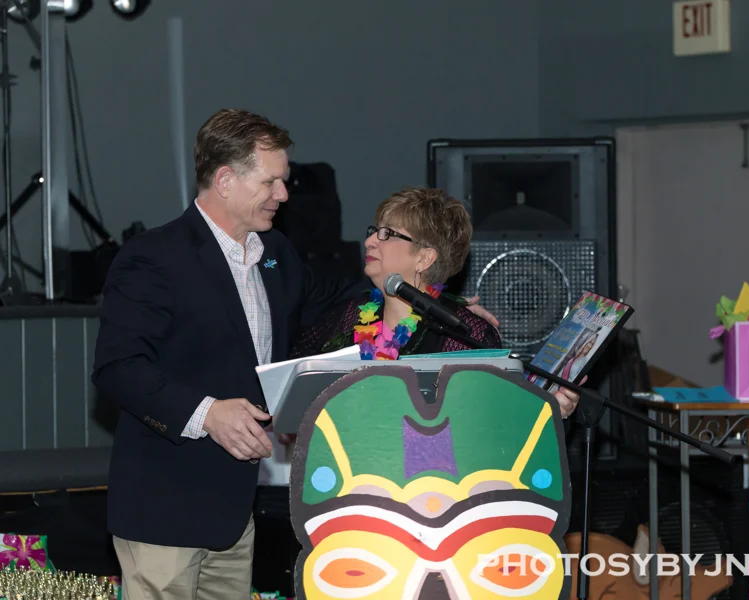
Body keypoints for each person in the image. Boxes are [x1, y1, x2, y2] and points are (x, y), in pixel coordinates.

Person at [93, 110, 499, 600]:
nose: (284, 194)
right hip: (164, 506)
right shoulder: (154, 256)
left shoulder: (275, 252)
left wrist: (441, 303)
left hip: (233, 515)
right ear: (225, 180)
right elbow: (118, 368)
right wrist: (208, 414)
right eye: (271, 181)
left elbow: (343, 297)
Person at [288, 186, 582, 417]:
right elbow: (292, 375)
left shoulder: (466, 334)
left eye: (387, 234)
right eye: (374, 231)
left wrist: (544, 408)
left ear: (425, 258)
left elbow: (493, 419)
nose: (369, 241)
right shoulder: (349, 315)